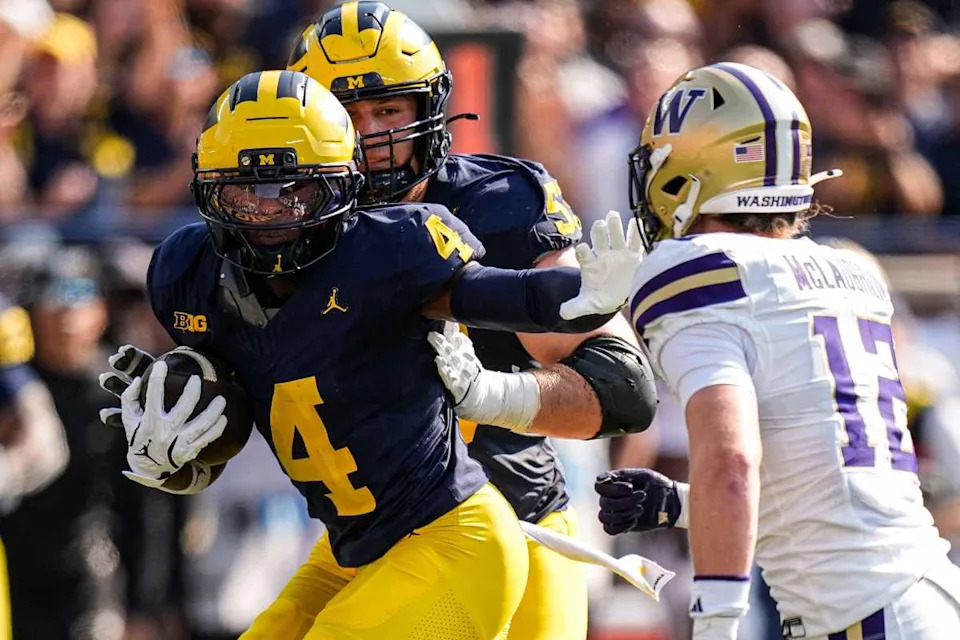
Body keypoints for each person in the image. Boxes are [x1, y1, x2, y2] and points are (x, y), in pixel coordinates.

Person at [99, 70, 644, 639]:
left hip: (454, 543)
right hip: (353, 551)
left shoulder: (389, 251)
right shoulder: (191, 274)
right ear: (208, 191)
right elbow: (232, 404)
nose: (269, 216)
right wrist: (179, 450)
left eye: (294, 191)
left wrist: (577, 295)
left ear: (343, 185)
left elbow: (498, 294)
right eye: (244, 193)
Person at [285, 3, 657, 638]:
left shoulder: (493, 204)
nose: (368, 136)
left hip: (511, 525)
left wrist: (491, 395)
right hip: (365, 540)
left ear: (429, 110)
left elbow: (620, 387)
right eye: (345, 113)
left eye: (387, 110)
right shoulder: (284, 226)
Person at [593, 62, 960, 640]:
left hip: (865, 616)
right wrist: (684, 503)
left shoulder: (695, 269)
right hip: (921, 599)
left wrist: (715, 622)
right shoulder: (849, 270)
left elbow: (732, 462)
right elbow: (823, 487)